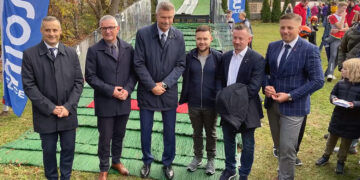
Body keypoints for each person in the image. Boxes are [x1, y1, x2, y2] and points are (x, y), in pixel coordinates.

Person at [21, 16, 84, 180]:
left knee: (68, 148)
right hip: (45, 115)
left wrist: (68, 107)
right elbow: (29, 86)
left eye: (55, 30)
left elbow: (78, 82)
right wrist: (51, 108)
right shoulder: (30, 55)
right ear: (41, 31)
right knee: (48, 151)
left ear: (60, 31)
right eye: (47, 30)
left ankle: (65, 177)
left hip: (67, 114)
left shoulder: (71, 53)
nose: (51, 33)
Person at [264, 13, 324, 180]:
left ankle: (285, 177)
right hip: (273, 106)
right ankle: (282, 172)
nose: (285, 31)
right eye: (282, 27)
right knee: (279, 146)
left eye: (290, 27)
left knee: (288, 148)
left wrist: (290, 96)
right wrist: (266, 86)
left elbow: (318, 80)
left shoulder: (309, 50)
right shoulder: (273, 46)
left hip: (294, 107)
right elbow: (266, 72)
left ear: (299, 28)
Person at [133, 1, 186, 179]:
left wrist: (164, 85)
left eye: (170, 17)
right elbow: (138, 63)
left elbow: (180, 65)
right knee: (146, 129)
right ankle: (147, 162)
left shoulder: (178, 36)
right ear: (157, 16)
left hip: (168, 92)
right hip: (147, 92)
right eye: (164, 17)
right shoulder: (143, 34)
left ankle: (167, 163)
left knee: (169, 131)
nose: (167, 21)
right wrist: (151, 85)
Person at [85, 15, 137, 180]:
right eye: (104, 28)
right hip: (105, 102)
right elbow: (90, 77)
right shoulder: (94, 51)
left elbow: (133, 73)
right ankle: (103, 168)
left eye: (111, 27)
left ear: (117, 29)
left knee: (119, 134)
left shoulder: (129, 48)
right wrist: (111, 90)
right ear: (100, 30)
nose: (108, 31)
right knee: (105, 137)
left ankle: (116, 161)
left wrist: (127, 90)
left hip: (123, 101)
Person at [217, 24, 265, 180]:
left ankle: (244, 173)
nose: (237, 41)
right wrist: (221, 96)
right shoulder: (225, 57)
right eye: (234, 37)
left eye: (241, 38)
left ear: (249, 39)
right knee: (228, 140)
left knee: (248, 143)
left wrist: (230, 98)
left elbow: (253, 87)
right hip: (226, 107)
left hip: (247, 107)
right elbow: (220, 79)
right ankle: (230, 169)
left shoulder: (257, 59)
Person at [179, 25, 222, 175]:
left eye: (205, 38)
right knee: (197, 132)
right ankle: (197, 157)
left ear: (211, 39)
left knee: (211, 132)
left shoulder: (218, 57)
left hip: (211, 104)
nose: (202, 41)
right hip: (194, 103)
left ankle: (211, 159)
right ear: (195, 39)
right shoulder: (189, 57)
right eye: (199, 39)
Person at [315, 58, 360, 174]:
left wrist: (353, 104)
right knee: (331, 138)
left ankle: (341, 161)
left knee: (346, 143)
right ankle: (326, 155)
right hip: (338, 118)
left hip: (353, 121)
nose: (341, 70)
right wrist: (333, 98)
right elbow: (333, 94)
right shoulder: (340, 83)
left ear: (354, 71)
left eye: (344, 69)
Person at [325, 2, 349, 82]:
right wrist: (343, 18)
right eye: (344, 8)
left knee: (338, 58)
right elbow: (340, 26)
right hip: (334, 38)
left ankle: (329, 72)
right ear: (339, 7)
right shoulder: (332, 16)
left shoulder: (343, 17)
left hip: (342, 39)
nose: (345, 10)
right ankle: (330, 74)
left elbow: (347, 28)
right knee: (333, 56)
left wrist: (339, 30)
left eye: (346, 8)